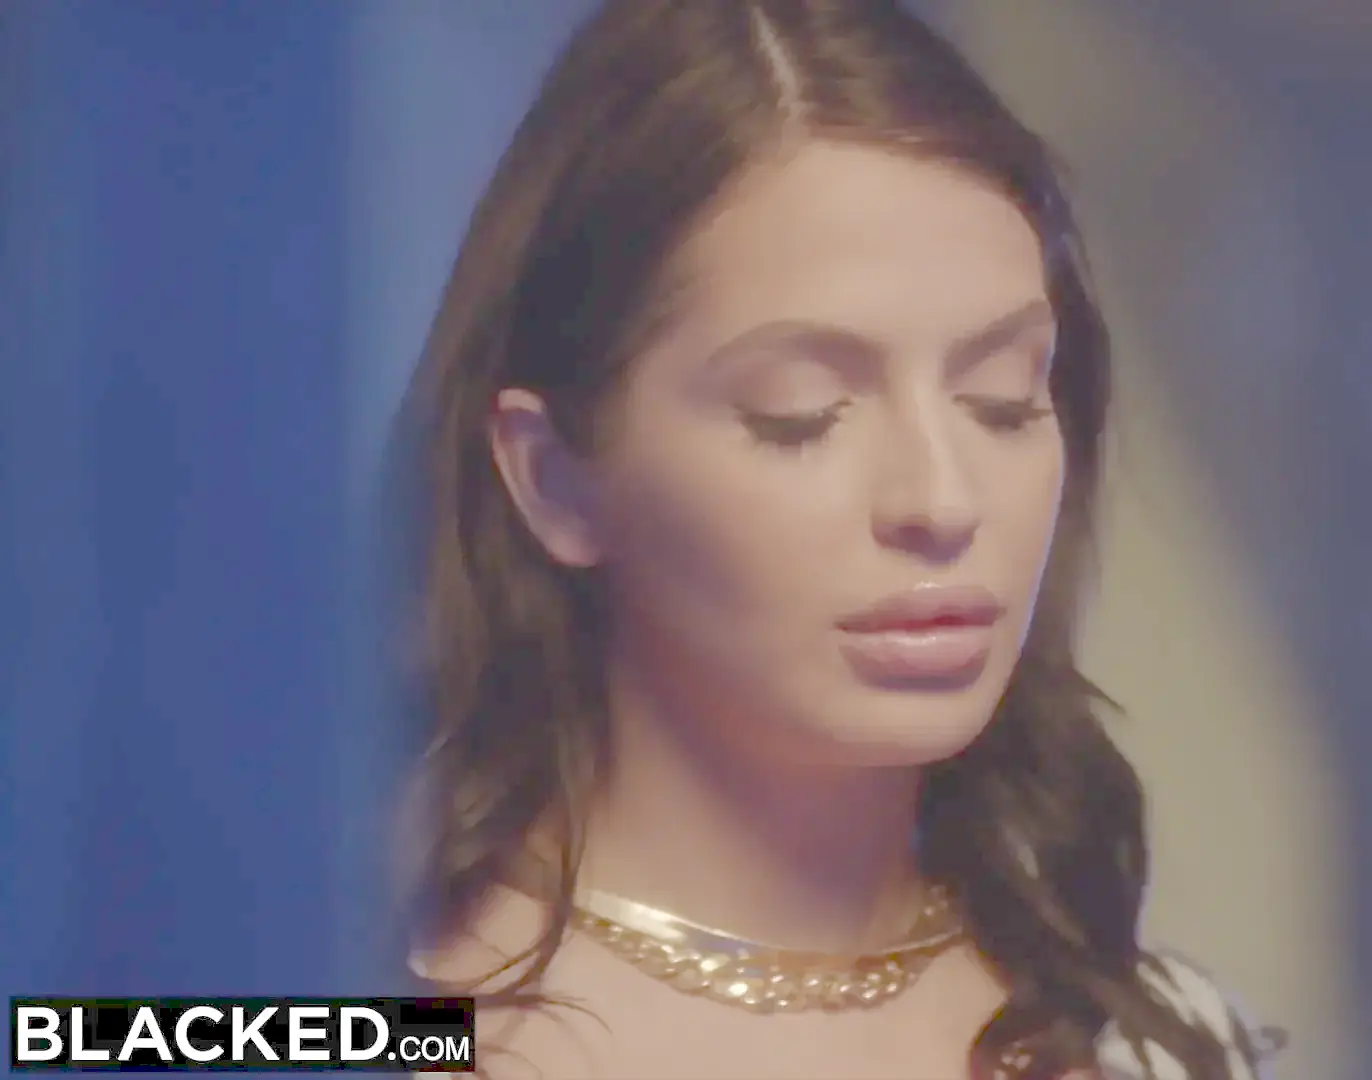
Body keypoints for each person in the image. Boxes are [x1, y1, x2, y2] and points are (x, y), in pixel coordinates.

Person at [384, 2, 1284, 1077]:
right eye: (799, 415)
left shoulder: (1152, 1040)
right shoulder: (364, 1025)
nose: (942, 501)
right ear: (553, 477)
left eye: (1002, 400)